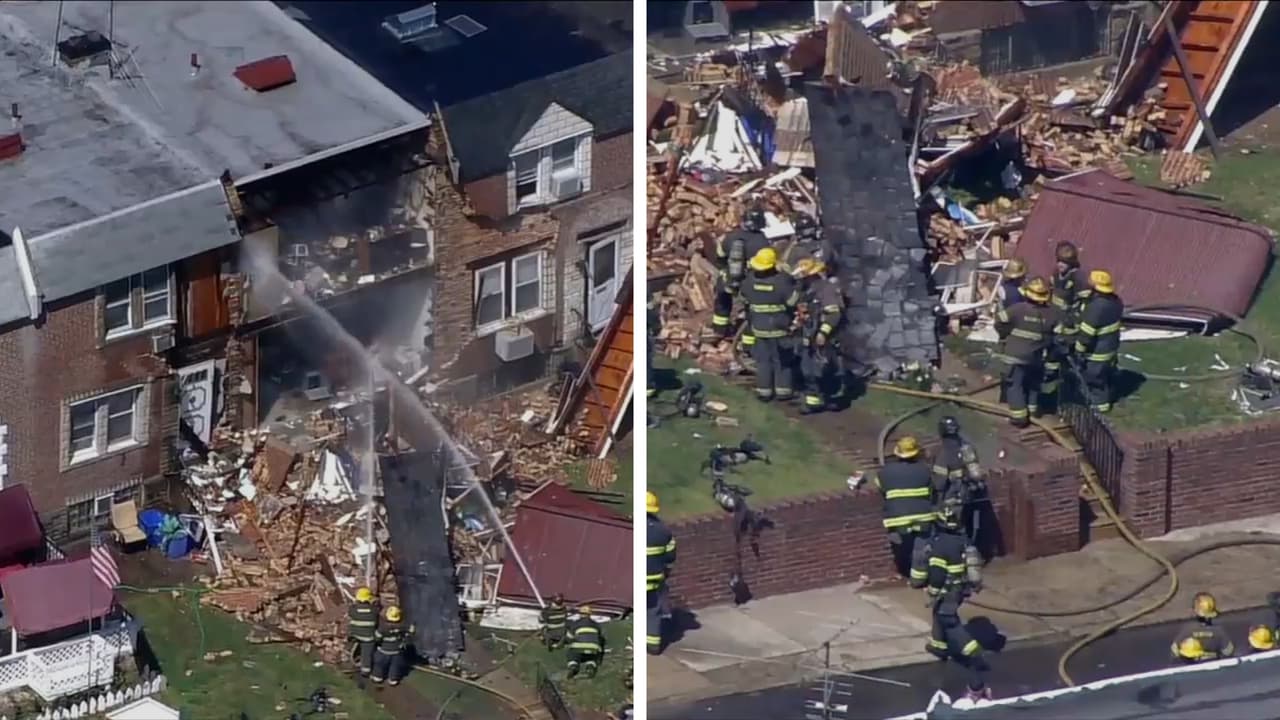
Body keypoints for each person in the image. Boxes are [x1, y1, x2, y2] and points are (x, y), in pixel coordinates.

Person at [913, 501, 988, 691]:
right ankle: (939, 647)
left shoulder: (941, 545)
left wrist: (931, 592)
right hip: (960, 590)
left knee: (949, 620)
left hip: (948, 592)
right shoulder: (962, 540)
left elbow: (937, 575)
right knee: (939, 614)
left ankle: (972, 650)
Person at [856, 436, 938, 576]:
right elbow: (933, 492)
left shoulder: (884, 472)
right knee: (922, 545)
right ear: (916, 453)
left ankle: (905, 570)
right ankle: (919, 577)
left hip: (896, 518)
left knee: (902, 546)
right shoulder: (925, 470)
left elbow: (882, 490)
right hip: (922, 517)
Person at [994, 276, 1057, 427]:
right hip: (1035, 358)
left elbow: (999, 320)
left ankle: (1019, 418)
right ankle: (1033, 411)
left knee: (1015, 386)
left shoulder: (1018, 308)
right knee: (1033, 384)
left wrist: (1005, 333)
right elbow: (1058, 337)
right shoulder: (1052, 314)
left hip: (1014, 357)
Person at [741, 247, 800, 403]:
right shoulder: (781, 282)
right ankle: (783, 391)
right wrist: (794, 282)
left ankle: (764, 392)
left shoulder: (749, 281)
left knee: (763, 362)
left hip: (759, 328)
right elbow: (792, 302)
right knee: (782, 361)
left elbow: (744, 299)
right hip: (779, 329)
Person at [793, 257, 844, 414]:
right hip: (808, 333)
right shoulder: (807, 289)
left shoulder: (826, 289)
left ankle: (824, 399)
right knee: (808, 368)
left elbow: (834, 314)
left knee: (819, 368)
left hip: (823, 336)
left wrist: (823, 332)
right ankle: (816, 399)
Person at [711, 207, 770, 337]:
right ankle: (748, 342)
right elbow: (767, 265)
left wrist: (725, 271)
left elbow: (720, 256)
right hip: (749, 282)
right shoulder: (762, 241)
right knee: (752, 311)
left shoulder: (730, 236)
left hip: (727, 279)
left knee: (722, 302)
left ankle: (719, 330)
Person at [1074, 270, 1124, 413]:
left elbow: (1087, 333)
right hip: (1111, 348)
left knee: (1094, 380)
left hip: (1097, 352)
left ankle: (1099, 408)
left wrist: (1079, 350)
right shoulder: (1116, 301)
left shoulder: (1096, 307)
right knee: (1105, 376)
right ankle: (1105, 400)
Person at [931, 416, 985, 512]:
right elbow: (976, 472)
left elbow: (940, 484)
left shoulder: (943, 451)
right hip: (968, 495)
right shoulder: (967, 446)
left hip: (951, 498)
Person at [646, 491, 677, 655]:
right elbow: (671, 555)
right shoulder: (663, 531)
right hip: (653, 580)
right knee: (652, 610)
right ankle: (653, 645)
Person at [1171, 592, 1235, 663]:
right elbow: (1228, 652)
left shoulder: (1187, 630)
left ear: (1195, 611)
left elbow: (1174, 651)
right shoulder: (1218, 632)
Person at [370, 606, 412, 686]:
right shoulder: (402, 627)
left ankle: (377, 677)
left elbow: (377, 638)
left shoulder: (383, 628)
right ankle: (393, 679)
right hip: (397, 652)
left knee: (379, 664)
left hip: (383, 651)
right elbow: (408, 634)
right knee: (395, 666)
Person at [347, 586, 379, 682]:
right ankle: (366, 670)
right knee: (367, 653)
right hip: (368, 637)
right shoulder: (374, 610)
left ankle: (350, 653)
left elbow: (350, 613)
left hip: (355, 634)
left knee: (351, 639)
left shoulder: (353, 609)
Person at [567, 605, 603, 679]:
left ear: (580, 614)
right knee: (592, 657)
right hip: (593, 647)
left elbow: (569, 637)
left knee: (571, 655)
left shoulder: (575, 623)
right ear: (590, 614)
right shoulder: (596, 624)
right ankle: (590, 667)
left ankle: (573, 666)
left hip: (578, 647)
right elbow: (598, 636)